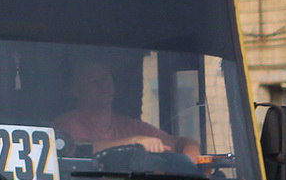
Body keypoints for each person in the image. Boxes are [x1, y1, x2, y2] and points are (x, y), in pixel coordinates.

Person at [53, 59, 201, 158]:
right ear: (76, 90)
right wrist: (134, 143)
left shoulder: (131, 126)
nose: (104, 85)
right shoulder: (66, 124)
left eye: (106, 78)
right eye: (94, 81)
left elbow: (179, 143)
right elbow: (78, 149)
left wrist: (190, 157)